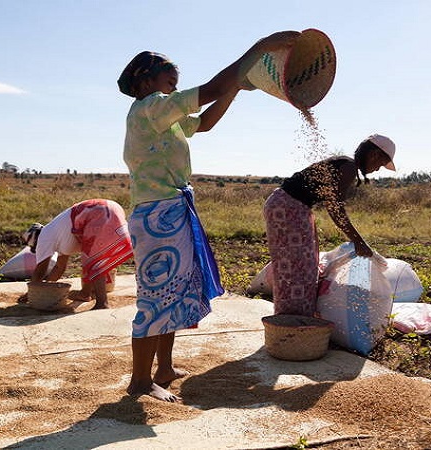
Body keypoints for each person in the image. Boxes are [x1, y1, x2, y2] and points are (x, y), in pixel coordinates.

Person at [118, 31, 301, 402]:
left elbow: (204, 123)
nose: (174, 83)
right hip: (157, 217)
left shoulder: (164, 116)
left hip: (171, 212)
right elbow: (212, 87)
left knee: (171, 293)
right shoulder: (150, 107)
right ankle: (140, 381)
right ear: (145, 79)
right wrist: (258, 49)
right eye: (169, 76)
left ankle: (163, 368)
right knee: (156, 297)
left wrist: (236, 87)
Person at [263, 134, 397, 317]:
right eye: (380, 164)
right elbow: (335, 208)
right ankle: (293, 321)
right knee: (297, 268)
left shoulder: (345, 164)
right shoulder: (348, 167)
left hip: (285, 205)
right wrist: (358, 241)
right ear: (374, 154)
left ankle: (292, 319)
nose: (377, 169)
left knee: (299, 265)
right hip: (288, 207)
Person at [20, 199, 133, 310]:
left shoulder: (44, 237)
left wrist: (32, 293)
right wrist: (47, 290)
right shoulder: (57, 234)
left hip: (97, 212)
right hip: (111, 207)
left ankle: (102, 303)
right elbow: (59, 268)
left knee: (95, 261)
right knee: (89, 257)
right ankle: (85, 294)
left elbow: (40, 271)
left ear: (35, 242)